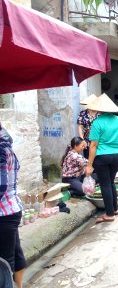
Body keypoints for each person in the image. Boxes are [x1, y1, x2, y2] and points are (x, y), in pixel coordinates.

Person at [85, 94, 118, 224]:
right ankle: (114, 209)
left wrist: (89, 165)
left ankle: (109, 214)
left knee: (105, 185)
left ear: (99, 109)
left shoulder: (97, 122)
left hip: (102, 157)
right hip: (115, 155)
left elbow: (93, 145)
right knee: (111, 182)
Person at [0, 123, 26, 288]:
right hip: (11, 209)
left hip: (3, 213)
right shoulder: (7, 147)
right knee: (15, 254)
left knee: (4, 263)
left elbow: (0, 186)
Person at [77, 94, 98, 158]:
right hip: (87, 140)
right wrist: (82, 140)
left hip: (99, 141)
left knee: (98, 161)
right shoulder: (83, 113)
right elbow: (80, 127)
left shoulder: (100, 113)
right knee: (87, 159)